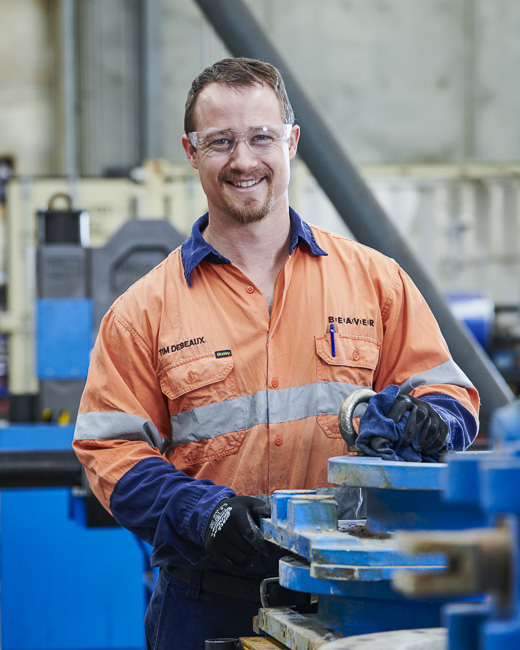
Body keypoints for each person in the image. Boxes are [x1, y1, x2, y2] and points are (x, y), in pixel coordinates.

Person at [73, 57, 479, 648]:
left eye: (261, 137)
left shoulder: (375, 281)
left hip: (356, 599)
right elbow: (109, 453)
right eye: (220, 142)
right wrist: (199, 512)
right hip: (207, 605)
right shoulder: (143, 310)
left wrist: (432, 422)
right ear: (191, 151)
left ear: (290, 142)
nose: (243, 160)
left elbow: (451, 397)